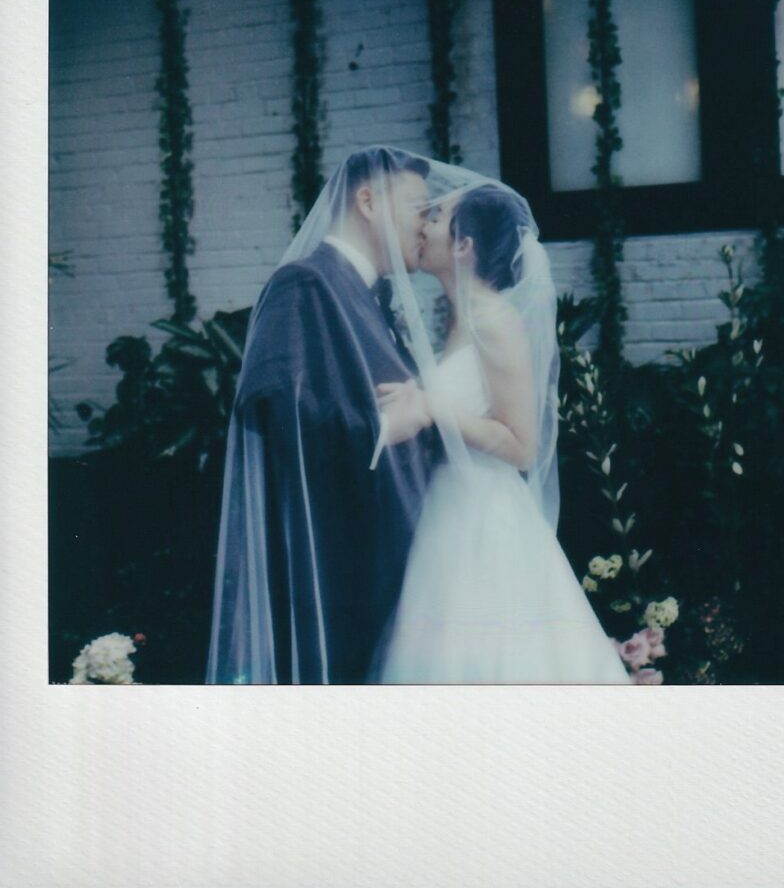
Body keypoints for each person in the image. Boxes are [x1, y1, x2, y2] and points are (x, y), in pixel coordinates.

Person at [373, 181, 630, 683]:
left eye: (436, 218)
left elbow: (521, 445)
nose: (422, 226)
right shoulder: (459, 319)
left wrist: (432, 407)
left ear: (464, 245)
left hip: (485, 520)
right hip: (448, 509)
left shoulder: (496, 321)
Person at [207, 147, 441, 684]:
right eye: (417, 208)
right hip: (335, 558)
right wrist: (387, 427)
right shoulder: (305, 284)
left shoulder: (367, 292)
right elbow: (275, 406)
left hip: (381, 548)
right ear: (367, 202)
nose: (425, 225)